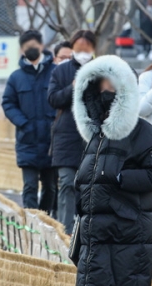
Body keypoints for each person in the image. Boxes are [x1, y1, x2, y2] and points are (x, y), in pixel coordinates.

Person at [72, 55, 152, 286]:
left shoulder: (142, 131)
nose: (105, 91)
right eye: (100, 85)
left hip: (127, 233)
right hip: (96, 234)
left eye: (112, 85)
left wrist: (120, 177)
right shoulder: (95, 135)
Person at [2, 30, 56, 213]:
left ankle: (47, 219)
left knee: (51, 187)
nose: (31, 50)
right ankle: (33, 224)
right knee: (30, 186)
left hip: (52, 141)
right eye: (27, 47)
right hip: (28, 140)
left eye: (34, 46)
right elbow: (8, 103)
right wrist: (23, 123)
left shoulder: (55, 73)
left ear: (42, 47)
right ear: (21, 50)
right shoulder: (16, 78)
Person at [48, 29, 96, 233]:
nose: (83, 52)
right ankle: (65, 233)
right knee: (67, 183)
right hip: (67, 135)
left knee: (91, 187)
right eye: (79, 48)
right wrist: (73, 87)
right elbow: (53, 99)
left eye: (87, 48)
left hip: (94, 135)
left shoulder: (102, 68)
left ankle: (88, 232)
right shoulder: (61, 71)